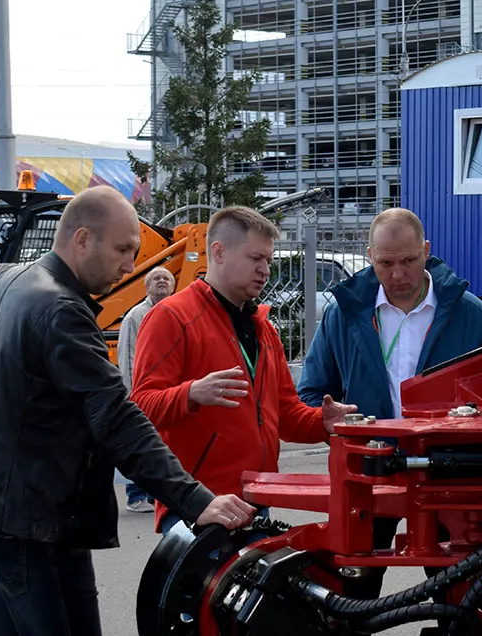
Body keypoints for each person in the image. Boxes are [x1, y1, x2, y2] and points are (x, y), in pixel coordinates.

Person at [0, 185, 256, 636]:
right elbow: (116, 418)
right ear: (82, 239)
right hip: (31, 516)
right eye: (122, 250)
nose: (130, 266)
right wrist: (198, 500)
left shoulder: (1, 277)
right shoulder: (61, 310)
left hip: (12, 508)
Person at [296, 207, 482, 597]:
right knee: (353, 591)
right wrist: (330, 418)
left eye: (408, 261)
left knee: (459, 592)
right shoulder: (343, 315)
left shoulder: (471, 315)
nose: (397, 275)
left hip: (450, 476)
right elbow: (311, 394)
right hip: (367, 474)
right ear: (370, 256)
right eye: (386, 264)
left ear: (427, 251)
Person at [131, 205, 356, 534]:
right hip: (197, 505)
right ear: (218, 252)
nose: (265, 270)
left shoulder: (263, 328)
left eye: (268, 260)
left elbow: (286, 415)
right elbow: (140, 407)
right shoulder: (171, 317)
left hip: (256, 501)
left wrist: (322, 422)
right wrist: (191, 393)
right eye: (255, 258)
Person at [116, 266, 176, 513]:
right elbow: (128, 355)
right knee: (141, 442)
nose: (161, 281)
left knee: (160, 444)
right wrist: (132, 394)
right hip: (142, 391)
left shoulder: (175, 311)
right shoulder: (135, 316)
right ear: (147, 286)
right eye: (156, 278)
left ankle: (156, 495)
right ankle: (136, 496)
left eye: (166, 278)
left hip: (166, 389)